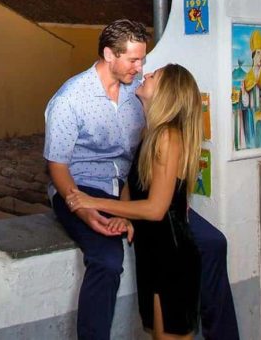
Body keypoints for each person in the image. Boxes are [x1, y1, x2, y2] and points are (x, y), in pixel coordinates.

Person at [45, 20, 240, 340]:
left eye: (143, 60)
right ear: (109, 55)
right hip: (81, 184)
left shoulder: (140, 96)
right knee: (107, 260)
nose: (140, 68)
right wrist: (80, 206)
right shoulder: (70, 98)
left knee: (213, 243)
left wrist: (163, 204)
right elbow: (57, 165)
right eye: (134, 60)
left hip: (132, 188)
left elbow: (155, 165)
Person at [65, 63, 203, 339]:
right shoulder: (151, 133)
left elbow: (155, 209)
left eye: (155, 77)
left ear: (167, 93)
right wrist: (125, 216)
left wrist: (94, 202)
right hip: (152, 252)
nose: (147, 75)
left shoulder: (168, 136)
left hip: (172, 255)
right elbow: (132, 183)